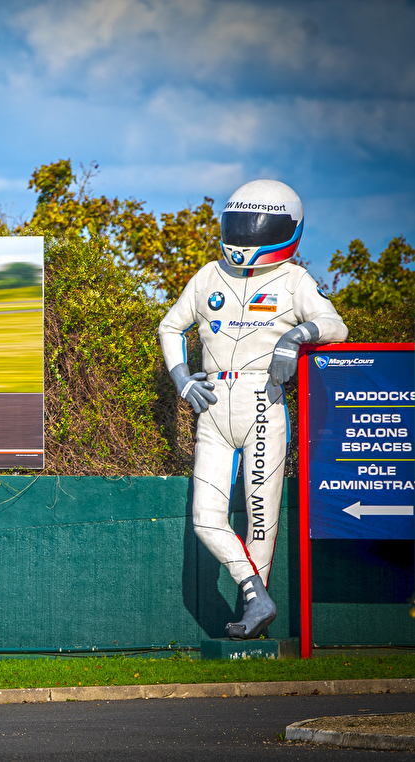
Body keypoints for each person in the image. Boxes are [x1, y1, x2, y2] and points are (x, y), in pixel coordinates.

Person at [159, 179, 348, 639]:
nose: (246, 234)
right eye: (239, 224)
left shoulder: (294, 280)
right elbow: (170, 326)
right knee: (206, 518)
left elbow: (334, 325)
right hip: (213, 405)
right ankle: (256, 594)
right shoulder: (208, 275)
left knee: (261, 520)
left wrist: (296, 337)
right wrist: (182, 379)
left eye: (257, 225)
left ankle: (254, 616)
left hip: (263, 402)